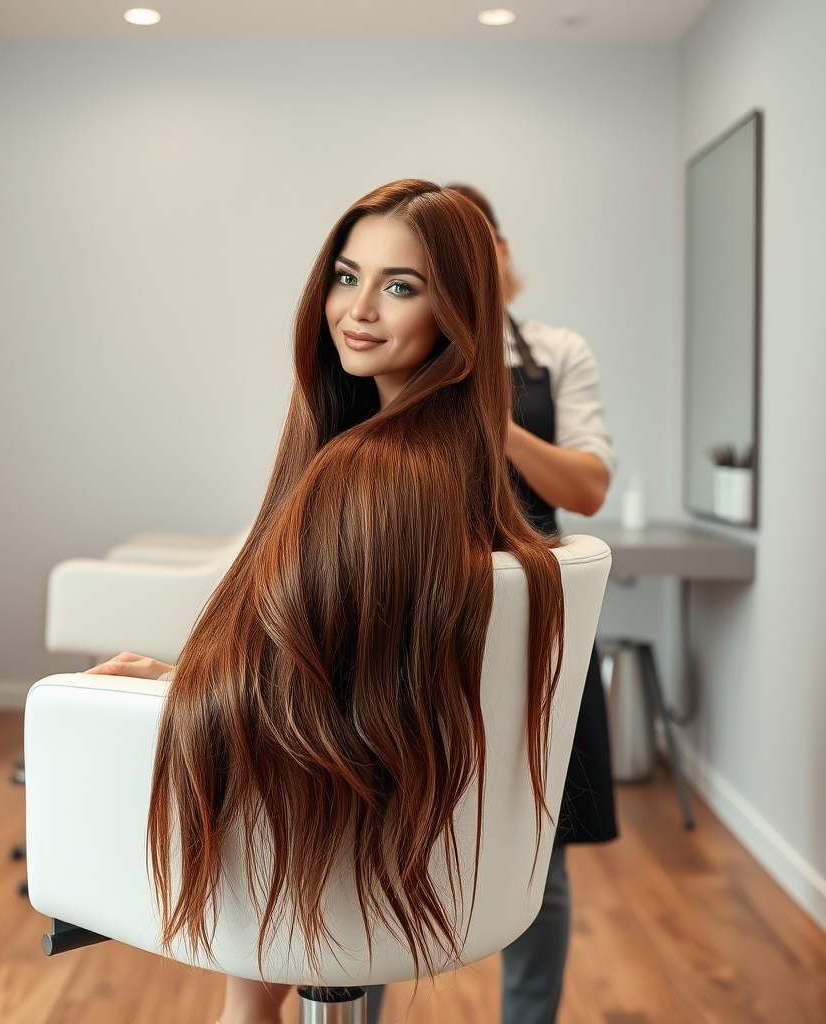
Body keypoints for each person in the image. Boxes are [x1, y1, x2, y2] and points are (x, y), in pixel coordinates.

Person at [87, 180, 569, 1024]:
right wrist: (188, 678)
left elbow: (325, 697)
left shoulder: (371, 470)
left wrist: (171, 697)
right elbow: (352, 665)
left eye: (401, 286)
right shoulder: (450, 462)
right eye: (349, 276)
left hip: (344, 808)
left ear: (456, 312)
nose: (360, 310)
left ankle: (249, 1004)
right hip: (388, 799)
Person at [447, 183, 619, 1024]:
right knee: (365, 837)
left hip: (534, 619)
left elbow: (587, 486)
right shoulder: (399, 345)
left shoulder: (555, 351)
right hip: (422, 611)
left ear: (504, 258)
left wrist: (492, 411)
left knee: (536, 854)